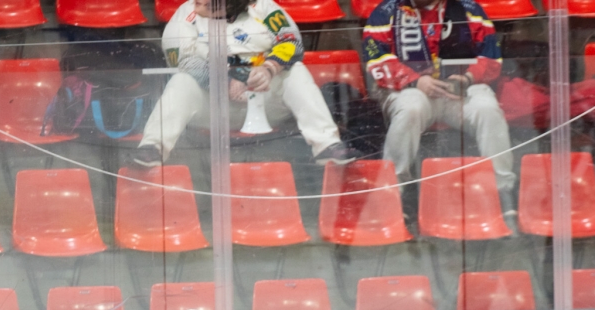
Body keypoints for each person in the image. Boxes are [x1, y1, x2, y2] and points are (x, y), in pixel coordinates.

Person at [134, 0, 354, 168]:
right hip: (212, 105)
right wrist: (224, 82)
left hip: (264, 99)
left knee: (295, 72)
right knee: (182, 81)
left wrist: (270, 68)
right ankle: (153, 147)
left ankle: (327, 145)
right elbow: (182, 60)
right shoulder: (186, 13)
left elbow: (292, 42)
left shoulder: (263, 7)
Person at [362, 0, 516, 223]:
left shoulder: (468, 9)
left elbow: (491, 58)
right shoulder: (386, 13)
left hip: (460, 90)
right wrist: (414, 81)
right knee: (411, 109)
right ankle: (394, 192)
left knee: (488, 110)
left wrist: (468, 78)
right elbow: (375, 58)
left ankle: (503, 192)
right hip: (410, 90)